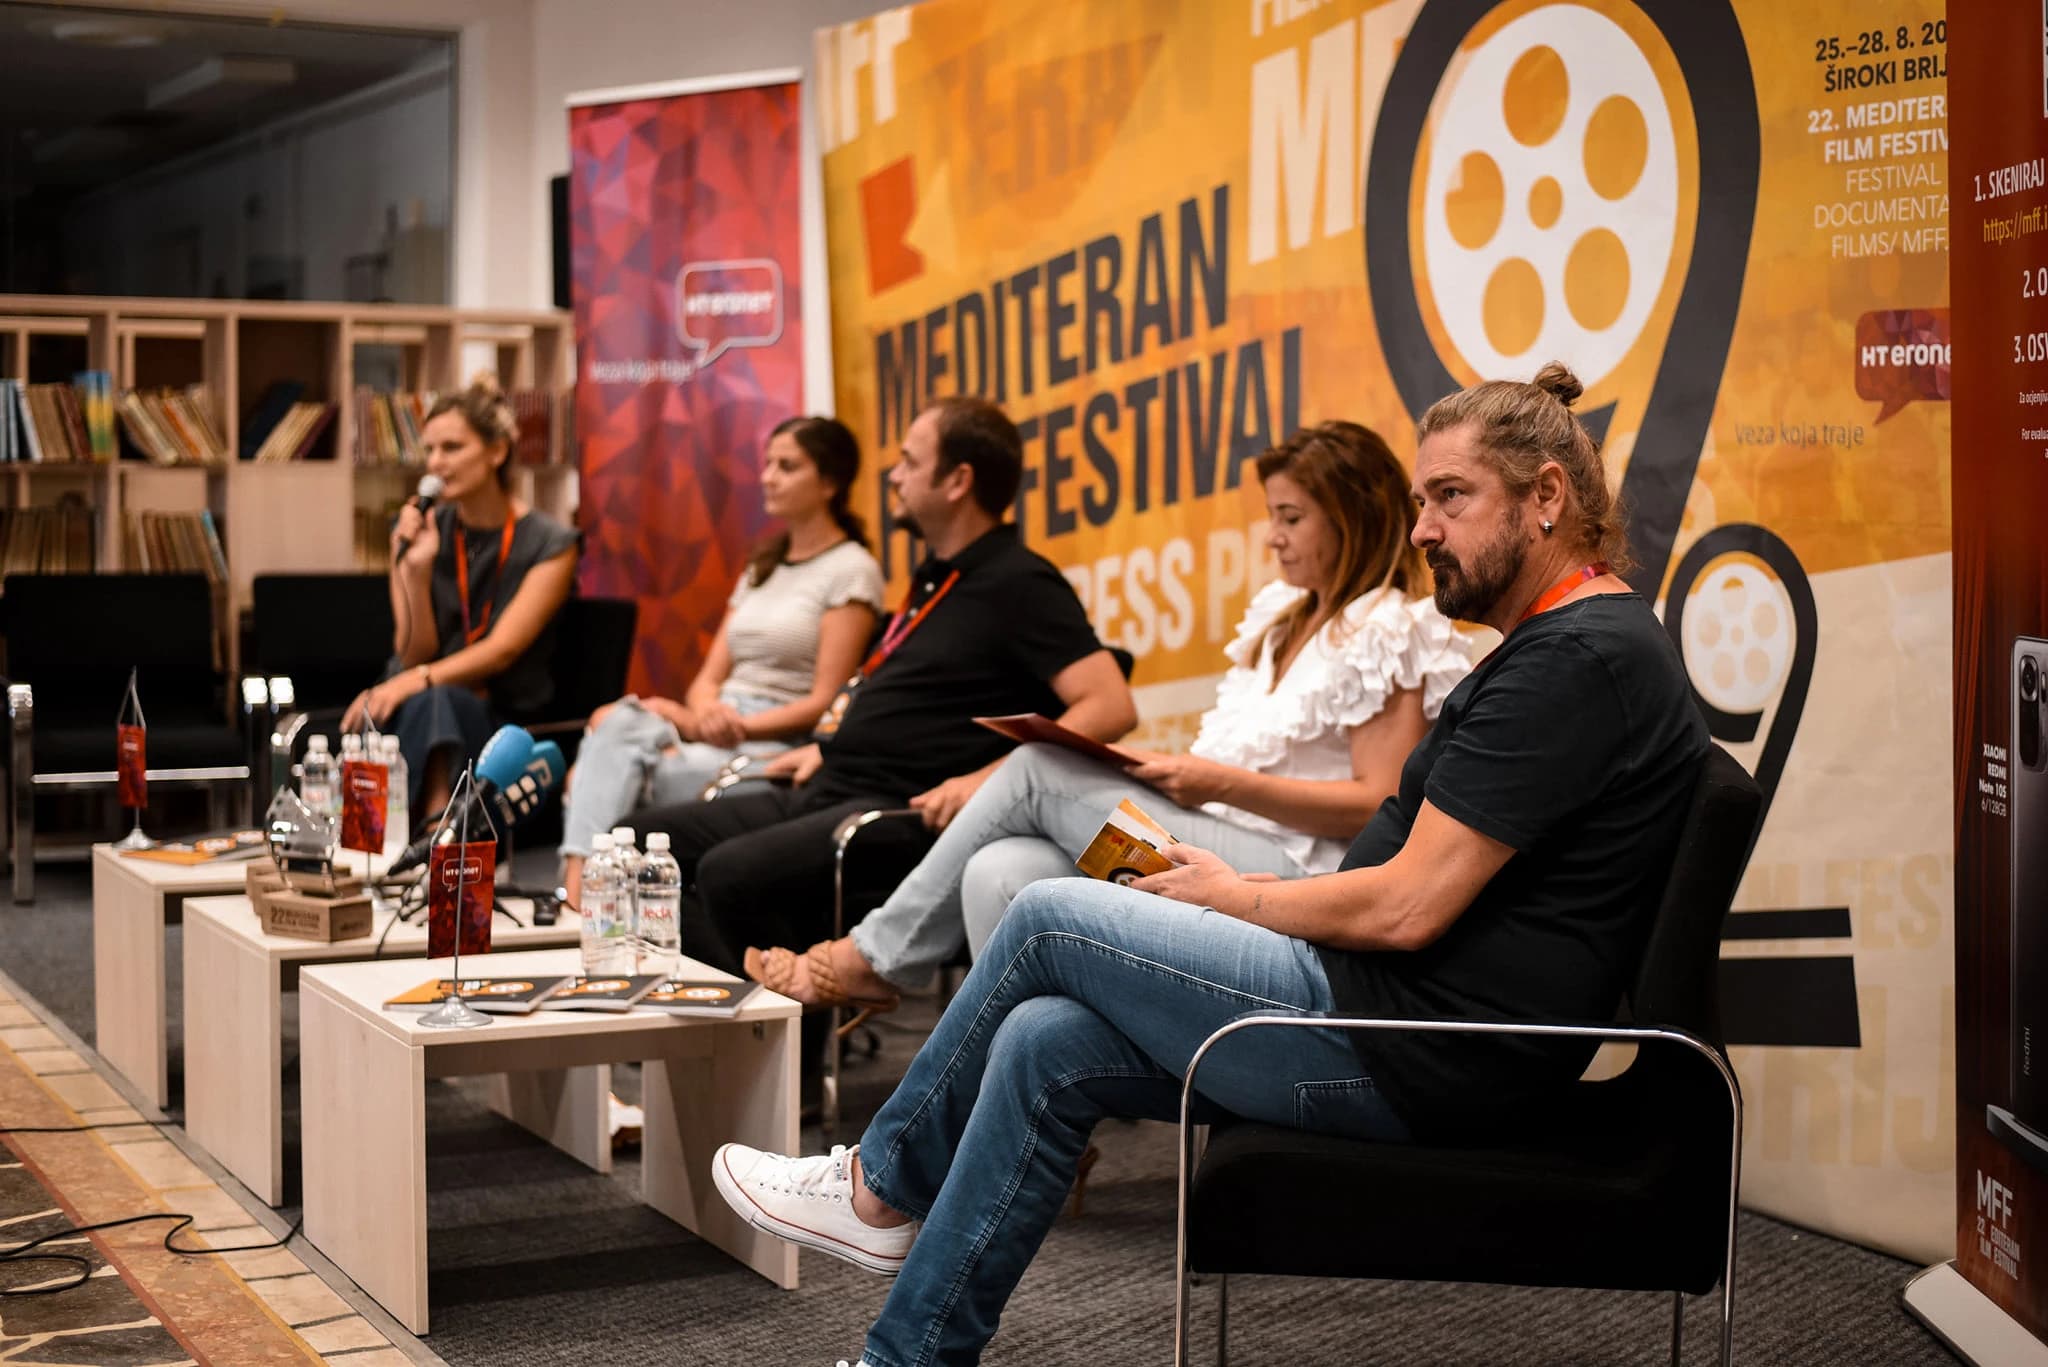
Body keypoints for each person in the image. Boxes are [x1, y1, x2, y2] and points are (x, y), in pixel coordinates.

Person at [709, 361, 1711, 1367]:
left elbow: (1407, 907)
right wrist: (1237, 888)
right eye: (1417, 502)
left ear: (1545, 497)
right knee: (1044, 1039)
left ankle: (875, 1185)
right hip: (1391, 1008)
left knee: (1048, 915)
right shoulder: (1565, 644)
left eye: (1450, 497)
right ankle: (908, 1355)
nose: (1421, 530)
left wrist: (1235, 893)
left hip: (1414, 1046)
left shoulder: (1576, 658)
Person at [743, 420, 1474, 1014]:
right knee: (1002, 870)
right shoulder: (1277, 619)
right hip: (1210, 842)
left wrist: (1215, 781)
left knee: (1034, 768)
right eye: (1271, 517)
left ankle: (871, 959)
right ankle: (1039, 1103)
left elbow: (1376, 806)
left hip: (1287, 877)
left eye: (1292, 518)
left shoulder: (1386, 625)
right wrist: (1187, 778)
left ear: (1354, 518)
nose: (1273, 536)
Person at [625, 396, 1137, 1006]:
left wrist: (984, 780)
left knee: (732, 874)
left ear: (957, 481)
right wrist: (827, 746)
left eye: (908, 461)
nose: (893, 475)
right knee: (638, 843)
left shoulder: (1019, 581)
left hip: (896, 810)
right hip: (832, 779)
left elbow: (1109, 706)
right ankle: (738, 1029)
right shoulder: (938, 577)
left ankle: (788, 1058)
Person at [557, 416, 883, 903]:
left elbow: (825, 702)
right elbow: (708, 680)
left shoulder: (851, 569)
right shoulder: (762, 566)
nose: (768, 476)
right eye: (768, 463)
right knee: (618, 721)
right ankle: (584, 892)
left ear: (830, 483)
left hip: (774, 743)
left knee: (602, 770)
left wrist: (735, 728)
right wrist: (702, 715)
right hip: (717, 725)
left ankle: (577, 897)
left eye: (787, 466)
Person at [343, 377, 578, 820]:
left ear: (496, 452)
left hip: (501, 719)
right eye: (429, 450)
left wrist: (415, 681)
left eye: (451, 448)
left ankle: (440, 841)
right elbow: (414, 653)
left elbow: (502, 650)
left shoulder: (551, 542)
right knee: (413, 705)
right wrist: (414, 571)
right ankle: (394, 845)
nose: (435, 464)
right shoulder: (424, 532)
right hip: (423, 704)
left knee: (435, 700)